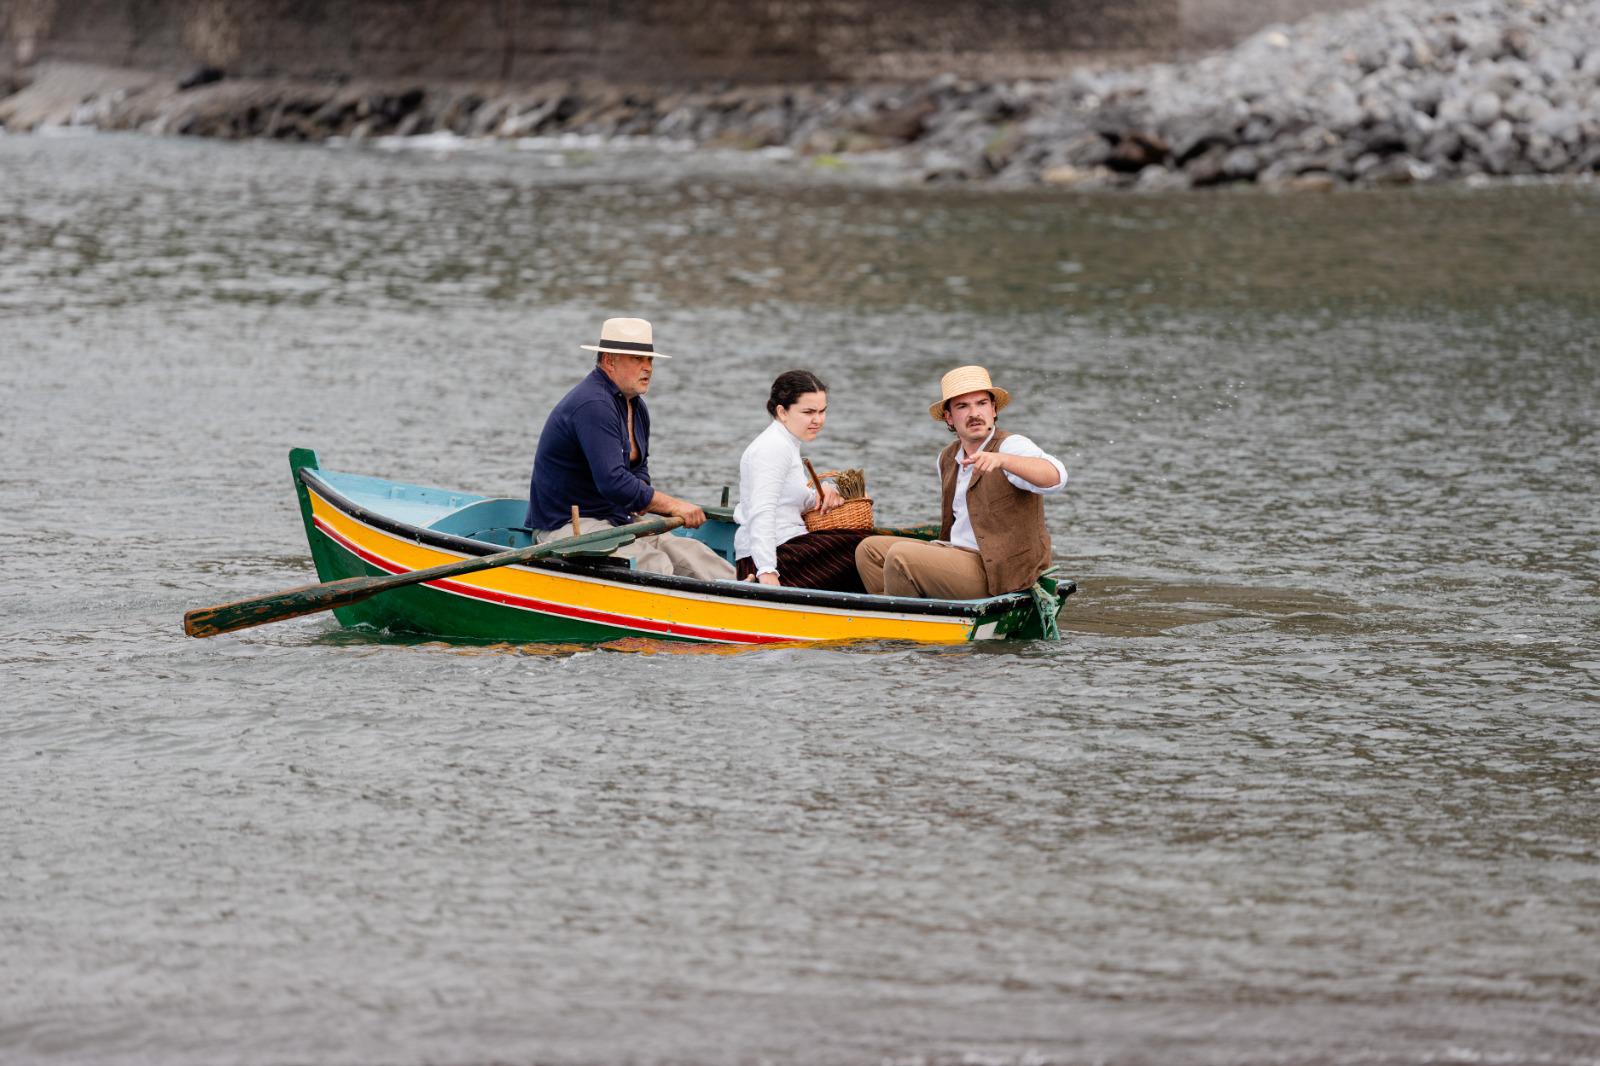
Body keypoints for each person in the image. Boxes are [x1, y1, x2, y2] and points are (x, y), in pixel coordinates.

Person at [525, 317, 734, 580]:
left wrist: (644, 499)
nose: (648, 368)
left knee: (693, 554)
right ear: (609, 361)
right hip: (567, 526)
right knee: (654, 564)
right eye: (637, 359)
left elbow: (639, 469)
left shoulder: (636, 406)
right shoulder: (593, 405)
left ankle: (750, 594)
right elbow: (613, 482)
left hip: (616, 519)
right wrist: (673, 505)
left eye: (650, 360)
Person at [856, 365, 1066, 599]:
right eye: (962, 406)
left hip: (1000, 572)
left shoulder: (1011, 446)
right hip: (957, 555)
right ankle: (897, 608)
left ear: (993, 409)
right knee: (868, 550)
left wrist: (1002, 460)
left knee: (900, 556)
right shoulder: (947, 457)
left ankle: (905, 618)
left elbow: (1056, 477)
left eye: (981, 403)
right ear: (949, 417)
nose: (974, 413)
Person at [733, 370, 872, 592]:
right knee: (868, 548)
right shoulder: (773, 447)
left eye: (822, 411)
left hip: (788, 548)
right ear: (782, 412)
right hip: (771, 559)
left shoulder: (787, 443)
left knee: (868, 545)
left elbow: (788, 502)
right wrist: (767, 571)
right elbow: (762, 510)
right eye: (808, 412)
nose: (818, 420)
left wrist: (823, 492)